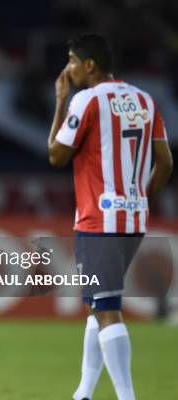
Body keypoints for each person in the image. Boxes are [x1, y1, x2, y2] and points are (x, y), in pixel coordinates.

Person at [48, 34, 173, 400]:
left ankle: (126, 396)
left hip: (98, 221)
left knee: (107, 311)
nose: (68, 69)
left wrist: (60, 103)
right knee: (97, 306)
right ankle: (84, 392)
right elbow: (165, 162)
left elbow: (56, 156)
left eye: (72, 61)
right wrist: (139, 199)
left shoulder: (87, 100)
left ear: (90, 65)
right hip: (133, 221)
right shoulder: (145, 99)